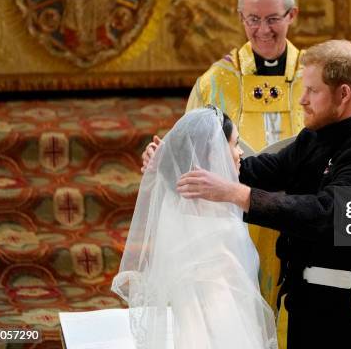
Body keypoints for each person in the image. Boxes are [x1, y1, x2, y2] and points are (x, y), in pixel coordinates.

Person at [177, 40, 351, 349]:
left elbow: (324, 214)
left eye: (313, 91)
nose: (302, 100)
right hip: (305, 304)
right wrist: (172, 163)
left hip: (345, 314)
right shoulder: (313, 140)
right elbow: (258, 170)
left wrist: (239, 195)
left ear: (343, 94)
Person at [142, 0, 304, 341]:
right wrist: (161, 158)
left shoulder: (315, 73)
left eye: (272, 19)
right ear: (240, 16)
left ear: (292, 15)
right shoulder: (215, 81)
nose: (262, 30)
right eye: (252, 19)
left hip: (300, 216)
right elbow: (187, 150)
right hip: (235, 224)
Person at [113, 106, 277, 349]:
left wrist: (167, 160)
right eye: (235, 144)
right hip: (221, 321)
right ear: (213, 153)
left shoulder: (184, 204)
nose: (240, 152)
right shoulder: (213, 217)